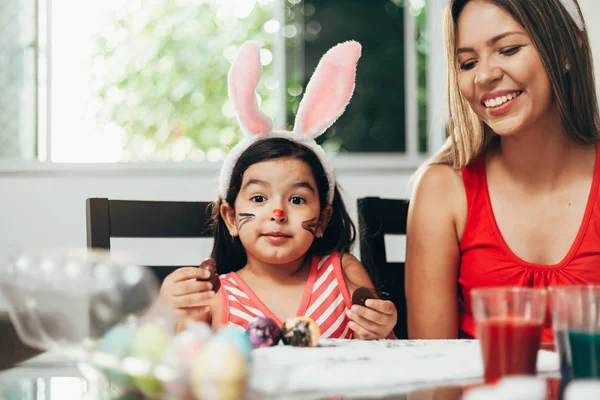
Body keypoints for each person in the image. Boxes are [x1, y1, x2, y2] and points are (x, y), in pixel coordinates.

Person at [161, 40, 397, 340]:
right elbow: (186, 370)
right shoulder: (213, 296)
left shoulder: (342, 273)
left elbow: (389, 357)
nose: (278, 213)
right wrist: (169, 311)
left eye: (297, 199)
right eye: (259, 198)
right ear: (231, 218)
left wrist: (382, 330)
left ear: (323, 220)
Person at [406, 0, 600, 342]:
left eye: (508, 49)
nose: (484, 76)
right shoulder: (441, 190)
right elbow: (432, 379)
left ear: (566, 50)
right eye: (467, 63)